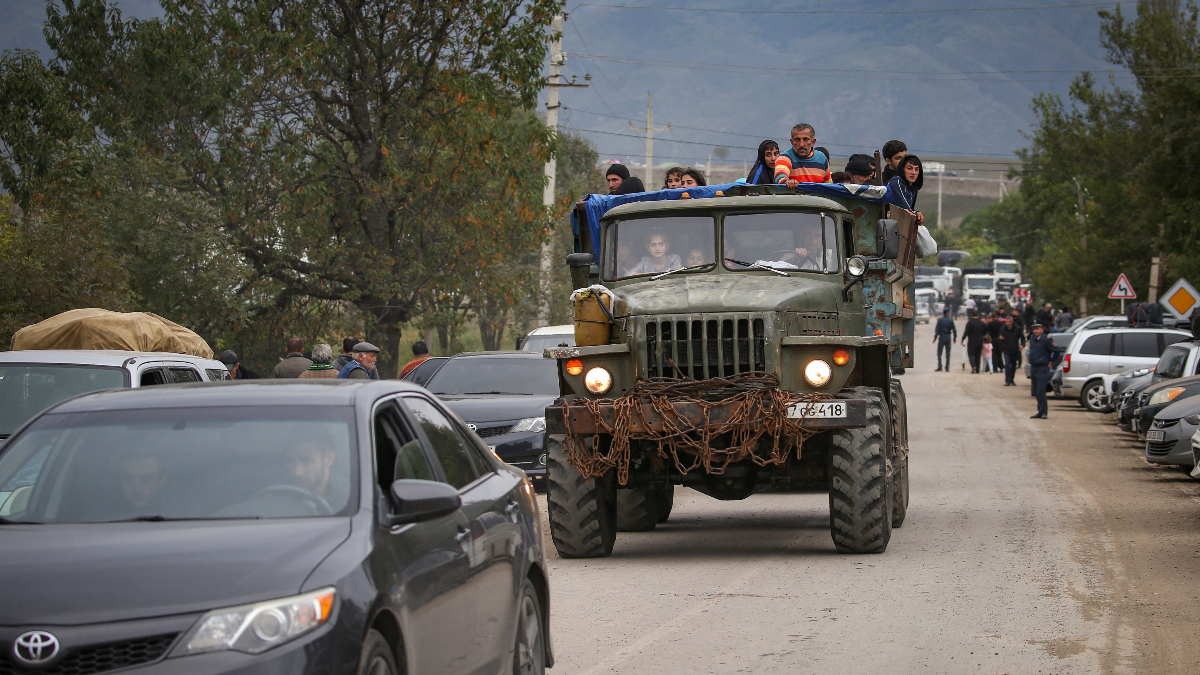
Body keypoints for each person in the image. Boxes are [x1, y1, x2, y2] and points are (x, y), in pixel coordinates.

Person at [1028, 323, 1065, 418]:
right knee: (1036, 390)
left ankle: (1044, 412)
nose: (1035, 331)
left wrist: (1051, 360)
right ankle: (1040, 411)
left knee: (1041, 390)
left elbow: (1057, 350)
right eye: (1034, 329)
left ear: (1042, 330)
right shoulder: (1032, 338)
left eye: (1037, 329)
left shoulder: (1047, 340)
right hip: (1034, 367)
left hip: (1042, 367)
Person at [886, 154, 925, 225]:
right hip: (888, 224)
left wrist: (916, 213)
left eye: (916, 169)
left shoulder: (912, 187)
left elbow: (910, 210)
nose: (913, 173)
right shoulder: (896, 183)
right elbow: (905, 210)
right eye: (909, 168)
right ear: (902, 169)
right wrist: (915, 214)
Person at [997, 315, 1026, 386]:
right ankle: (1007, 380)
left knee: (1013, 365)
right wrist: (1000, 338)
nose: (1008, 323)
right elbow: (999, 338)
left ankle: (1011, 379)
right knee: (1007, 364)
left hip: (1015, 349)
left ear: (1012, 321)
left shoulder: (1017, 328)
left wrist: (1022, 345)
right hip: (1006, 349)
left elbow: (1022, 338)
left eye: (1009, 321)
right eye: (1007, 322)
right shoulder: (1003, 328)